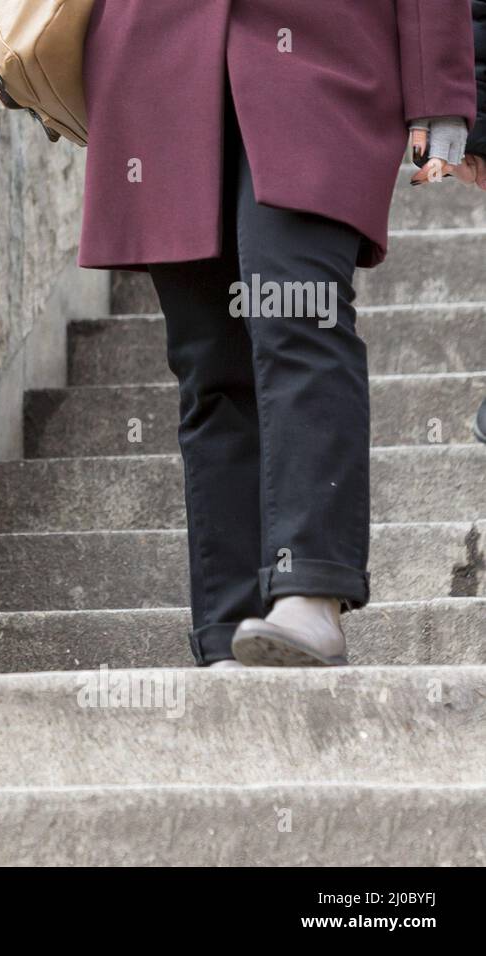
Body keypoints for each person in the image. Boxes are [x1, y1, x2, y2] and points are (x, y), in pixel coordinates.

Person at [78, 2, 478, 667]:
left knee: (301, 312)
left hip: (326, 53)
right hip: (155, 56)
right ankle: (227, 627)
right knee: (209, 360)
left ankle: (310, 591)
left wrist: (443, 91)